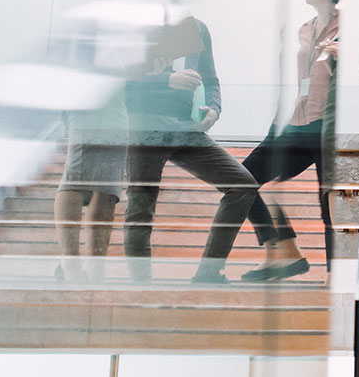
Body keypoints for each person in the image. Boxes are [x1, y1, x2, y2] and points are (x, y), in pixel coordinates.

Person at [121, 16, 262, 285]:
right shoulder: (141, 25)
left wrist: (214, 109)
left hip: (187, 128)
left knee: (243, 185)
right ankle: (141, 289)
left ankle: (209, 273)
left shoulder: (198, 28)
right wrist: (167, 79)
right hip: (145, 126)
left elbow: (211, 79)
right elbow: (124, 81)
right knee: (140, 209)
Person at [237, 0, 342, 282]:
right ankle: (284, 251)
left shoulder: (348, 27)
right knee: (241, 179)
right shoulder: (304, 29)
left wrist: (343, 56)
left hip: (327, 126)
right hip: (295, 123)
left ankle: (335, 273)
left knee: (330, 201)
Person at [54, 94, 127, 283]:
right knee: (77, 176)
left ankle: (95, 266)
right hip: (89, 90)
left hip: (117, 99)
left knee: (108, 185)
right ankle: (70, 263)